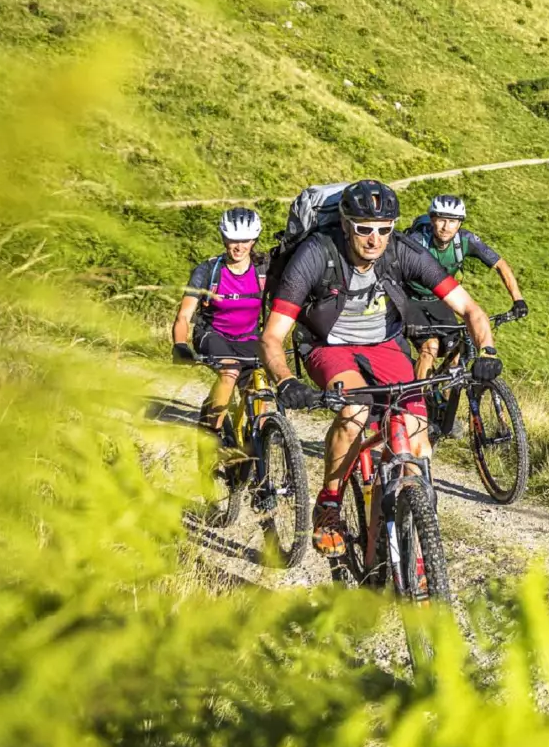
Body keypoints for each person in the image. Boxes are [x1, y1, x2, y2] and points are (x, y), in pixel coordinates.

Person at [260, 179, 501, 556]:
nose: (375, 239)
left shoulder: (401, 251)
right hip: (329, 346)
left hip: (386, 345)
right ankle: (329, 504)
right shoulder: (315, 254)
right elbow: (272, 335)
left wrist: (486, 351)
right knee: (355, 411)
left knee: (418, 442)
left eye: (384, 229)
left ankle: (398, 536)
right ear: (344, 224)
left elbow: (470, 308)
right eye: (364, 229)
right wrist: (286, 379)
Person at [402, 193, 526, 381]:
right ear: (432, 220)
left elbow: (500, 264)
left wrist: (518, 299)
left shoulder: (466, 241)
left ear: (460, 223)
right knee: (430, 347)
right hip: (411, 298)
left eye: (452, 221)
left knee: (456, 351)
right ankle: (418, 403)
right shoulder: (416, 241)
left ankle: (444, 406)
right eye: (441, 220)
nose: (446, 227)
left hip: (441, 298)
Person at [171, 207, 265, 440]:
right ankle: (210, 438)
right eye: (233, 240)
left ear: (254, 240)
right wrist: (180, 345)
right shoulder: (208, 271)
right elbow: (184, 315)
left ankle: (255, 439)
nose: (239, 247)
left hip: (249, 337)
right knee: (230, 371)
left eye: (245, 240)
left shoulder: (263, 270)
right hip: (213, 334)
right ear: (224, 238)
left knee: (261, 385)